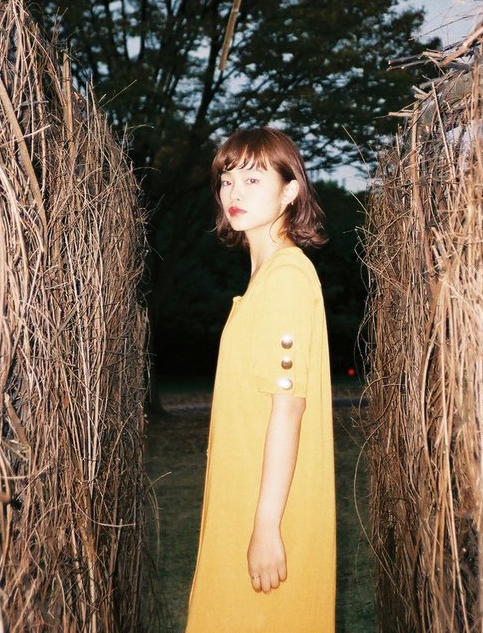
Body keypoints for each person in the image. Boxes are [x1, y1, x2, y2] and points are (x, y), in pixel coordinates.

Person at [185, 127, 336, 632]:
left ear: (290, 191)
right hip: (243, 493)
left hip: (268, 507)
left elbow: (288, 409)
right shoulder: (266, 278)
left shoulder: (286, 278)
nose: (235, 192)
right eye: (227, 180)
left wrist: (268, 527)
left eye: (253, 179)